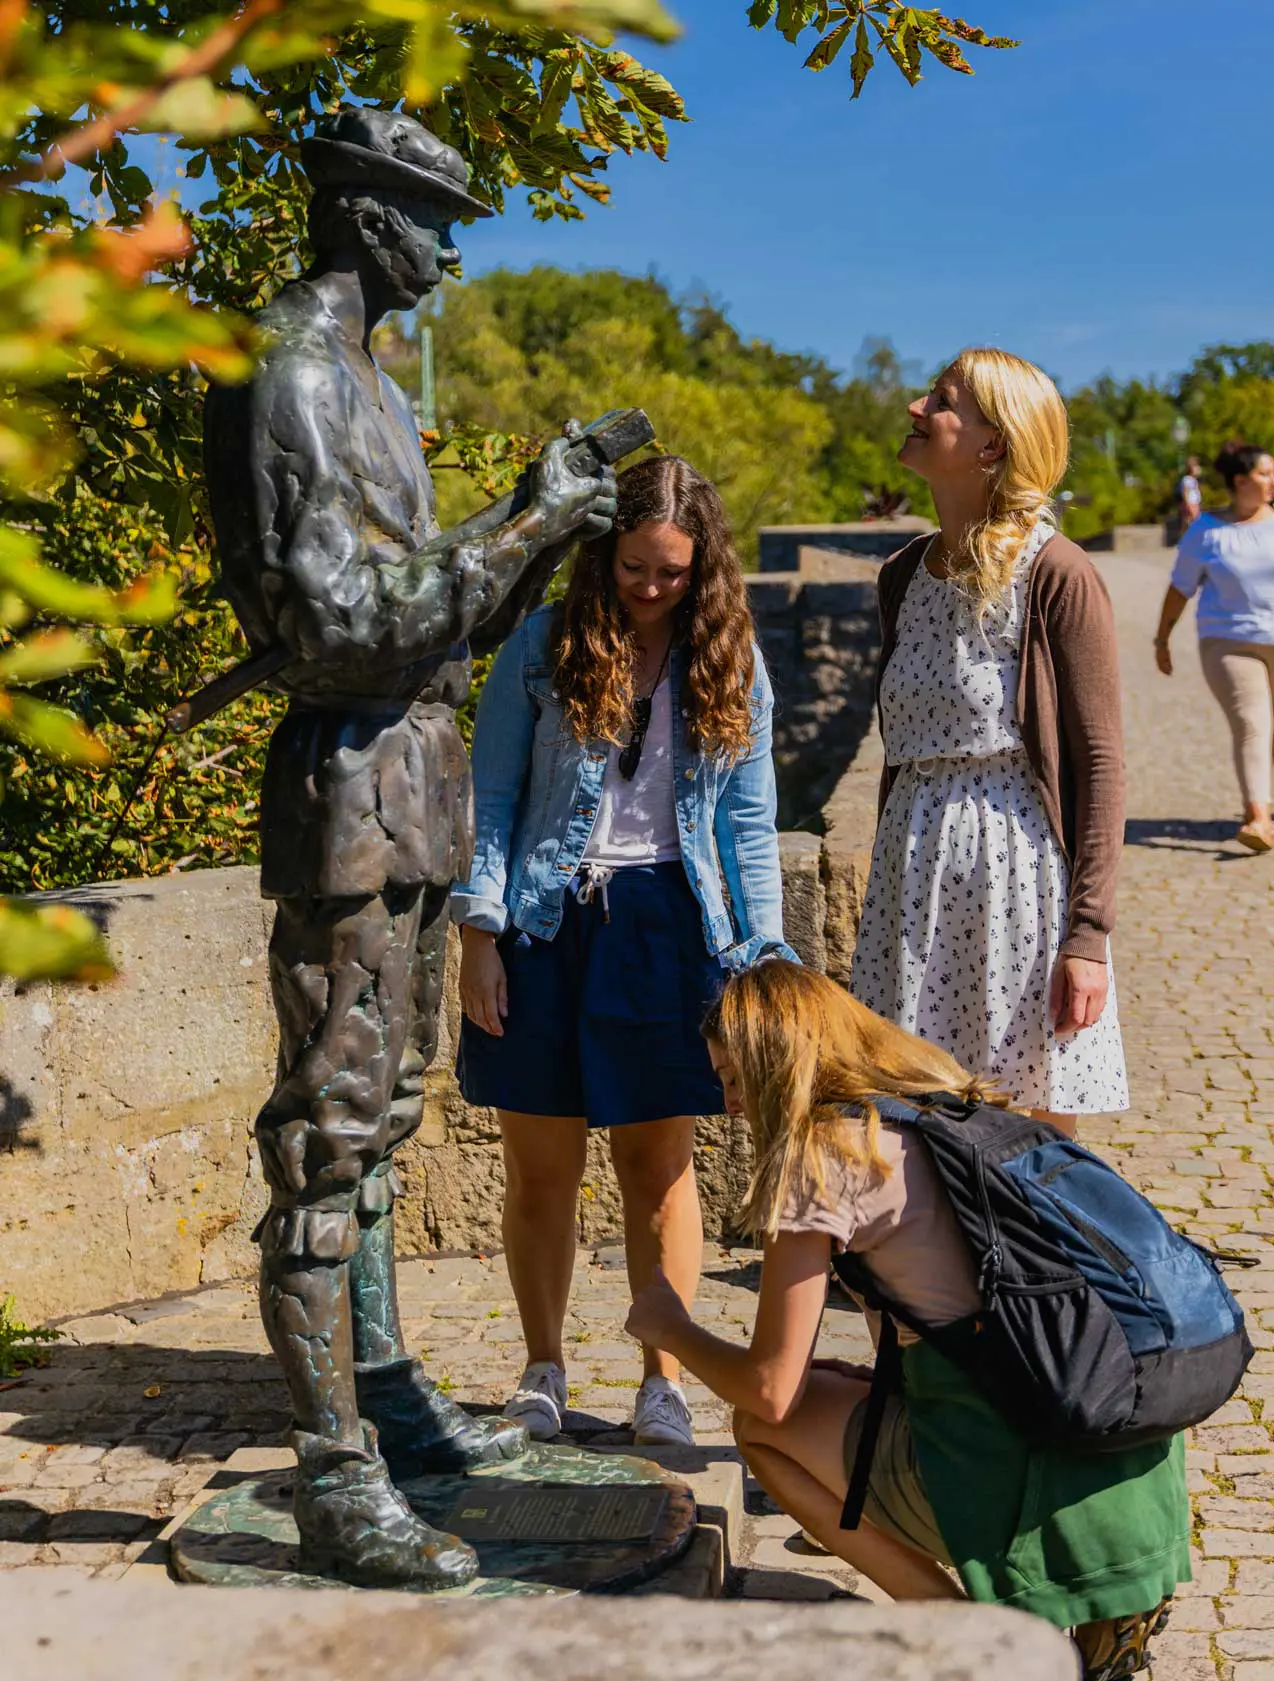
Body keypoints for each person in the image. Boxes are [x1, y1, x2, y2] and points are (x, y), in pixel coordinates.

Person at [201, 107, 620, 1586]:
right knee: (327, 1141)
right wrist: (519, 539)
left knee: (377, 1135)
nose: (446, 255)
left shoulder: (365, 384)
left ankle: (388, 1405)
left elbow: (430, 617)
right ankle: (333, 1480)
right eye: (434, 224)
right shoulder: (293, 379)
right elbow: (335, 631)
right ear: (369, 219)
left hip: (411, 787)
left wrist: (538, 523)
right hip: (352, 792)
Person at [624, 959, 1189, 1681]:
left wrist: (671, 1326)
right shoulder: (943, 1096)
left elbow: (768, 1388)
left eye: (734, 1077)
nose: (729, 1104)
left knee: (761, 1431)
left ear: (777, 1064)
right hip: (1116, 1432)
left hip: (1015, 1458)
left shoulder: (824, 1157)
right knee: (824, 1387)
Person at [452, 455, 790, 1450]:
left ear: (705, 568)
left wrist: (761, 962)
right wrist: (479, 934)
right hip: (545, 921)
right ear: (604, 556)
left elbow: (751, 826)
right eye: (635, 568)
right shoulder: (540, 646)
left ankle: (663, 1381)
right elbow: (495, 799)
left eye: (673, 573)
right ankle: (543, 1368)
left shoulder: (731, 661)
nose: (650, 589)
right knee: (539, 1167)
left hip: (670, 923)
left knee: (659, 1165)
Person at [850, 348, 1128, 1137]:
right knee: (909, 1114)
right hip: (912, 868)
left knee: (1028, 1130)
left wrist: (1088, 936)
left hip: (1015, 876)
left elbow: (1101, 763)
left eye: (940, 400)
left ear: (991, 445)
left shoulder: (1057, 574)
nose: (914, 407)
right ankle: (932, 1265)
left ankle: (1043, 1263)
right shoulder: (902, 575)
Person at [1154, 442, 1274, 853]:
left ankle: (1258, 803)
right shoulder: (1207, 532)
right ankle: (1258, 816)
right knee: (1251, 721)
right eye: (1264, 473)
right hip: (1226, 642)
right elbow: (1180, 589)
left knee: (1268, 721)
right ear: (1239, 481)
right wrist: (1162, 639)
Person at [1176, 454, 1203, 536]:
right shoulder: (1187, 479)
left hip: (1195, 503)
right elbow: (1185, 492)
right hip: (1190, 503)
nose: (1198, 469)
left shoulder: (1194, 480)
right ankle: (1184, 536)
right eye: (1196, 466)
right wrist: (1187, 504)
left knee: (1191, 521)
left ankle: (1186, 536)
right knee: (1192, 521)